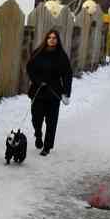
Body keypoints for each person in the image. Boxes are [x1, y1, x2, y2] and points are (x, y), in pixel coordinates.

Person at [24, 28, 73, 157]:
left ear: (57, 41)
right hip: (38, 91)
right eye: (49, 37)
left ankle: (47, 146)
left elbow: (68, 74)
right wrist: (38, 81)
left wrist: (66, 92)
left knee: (51, 122)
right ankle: (38, 134)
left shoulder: (62, 56)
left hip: (54, 93)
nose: (52, 40)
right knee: (36, 118)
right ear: (46, 39)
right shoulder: (37, 53)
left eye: (54, 38)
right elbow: (30, 69)